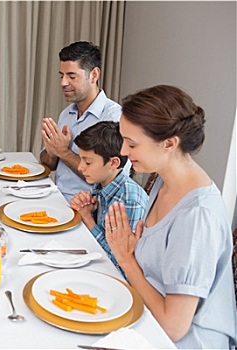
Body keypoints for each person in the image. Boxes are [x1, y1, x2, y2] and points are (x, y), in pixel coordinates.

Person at [104, 85, 237, 348]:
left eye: (132, 143)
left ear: (169, 144)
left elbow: (173, 327)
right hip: (148, 321)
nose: (123, 151)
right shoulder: (164, 184)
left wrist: (127, 261)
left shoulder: (197, 217)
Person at [40, 41, 122, 201]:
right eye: (61, 76)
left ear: (94, 75)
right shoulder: (67, 113)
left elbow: (110, 179)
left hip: (89, 208)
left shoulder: (113, 117)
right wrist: (52, 153)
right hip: (57, 197)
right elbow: (49, 164)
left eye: (71, 76)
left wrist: (63, 152)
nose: (63, 83)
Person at [69, 121, 148, 276]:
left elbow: (122, 264)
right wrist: (88, 209)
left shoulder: (130, 200)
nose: (80, 167)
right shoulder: (102, 184)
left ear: (113, 163)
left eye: (88, 162)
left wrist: (88, 219)